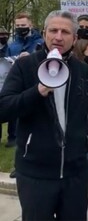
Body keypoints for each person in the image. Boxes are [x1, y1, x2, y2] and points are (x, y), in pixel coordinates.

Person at [0, 10, 88, 221]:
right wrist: (38, 91)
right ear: (44, 33)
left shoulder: (84, 73)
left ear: (75, 38)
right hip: (35, 173)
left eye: (65, 32)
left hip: (75, 174)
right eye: (53, 30)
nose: (58, 37)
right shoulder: (24, 67)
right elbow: (4, 108)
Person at [5, 13, 43, 149]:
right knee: (14, 104)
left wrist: (31, 56)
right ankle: (12, 136)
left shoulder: (40, 42)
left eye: (23, 25)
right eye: (18, 26)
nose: (21, 28)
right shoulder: (13, 45)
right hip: (16, 79)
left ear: (30, 25)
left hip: (35, 79)